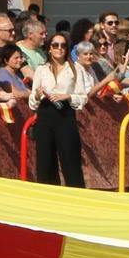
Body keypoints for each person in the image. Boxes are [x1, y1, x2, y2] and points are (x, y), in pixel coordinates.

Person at [29, 30, 90, 186]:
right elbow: (32, 101)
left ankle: (76, 199)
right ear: (49, 48)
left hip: (65, 115)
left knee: (71, 161)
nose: (59, 48)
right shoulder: (41, 70)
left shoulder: (75, 69)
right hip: (45, 115)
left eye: (63, 45)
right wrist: (37, 94)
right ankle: (47, 200)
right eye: (55, 45)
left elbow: (83, 97)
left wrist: (67, 96)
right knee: (45, 163)